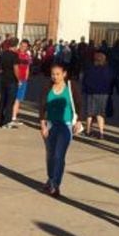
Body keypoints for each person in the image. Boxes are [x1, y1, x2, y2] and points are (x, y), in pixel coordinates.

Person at [38, 63, 82, 197]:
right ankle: (51, 178)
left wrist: (79, 121)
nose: (55, 77)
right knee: (50, 155)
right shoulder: (48, 87)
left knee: (59, 155)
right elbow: (42, 107)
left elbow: (79, 103)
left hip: (66, 125)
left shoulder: (71, 86)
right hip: (50, 124)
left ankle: (55, 184)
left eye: (57, 74)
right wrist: (43, 125)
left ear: (64, 74)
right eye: (53, 74)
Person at [81, 52, 114, 139]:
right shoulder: (108, 70)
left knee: (89, 113)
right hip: (104, 93)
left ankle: (88, 130)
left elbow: (85, 80)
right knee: (100, 114)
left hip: (91, 92)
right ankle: (101, 133)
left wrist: (84, 90)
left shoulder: (90, 69)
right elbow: (112, 80)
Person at [0, 39, 19, 128]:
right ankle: (7, 121)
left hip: (3, 79)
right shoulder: (14, 56)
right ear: (15, 46)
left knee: (2, 100)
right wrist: (19, 79)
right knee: (10, 101)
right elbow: (16, 68)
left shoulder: (3, 54)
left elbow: (0, 68)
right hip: (12, 80)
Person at [12, 39, 32, 125]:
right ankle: (11, 116)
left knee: (18, 99)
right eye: (21, 45)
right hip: (15, 79)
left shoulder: (27, 56)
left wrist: (26, 78)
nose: (23, 47)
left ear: (27, 47)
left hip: (23, 80)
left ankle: (14, 117)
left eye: (25, 46)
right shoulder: (16, 54)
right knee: (13, 98)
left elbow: (27, 67)